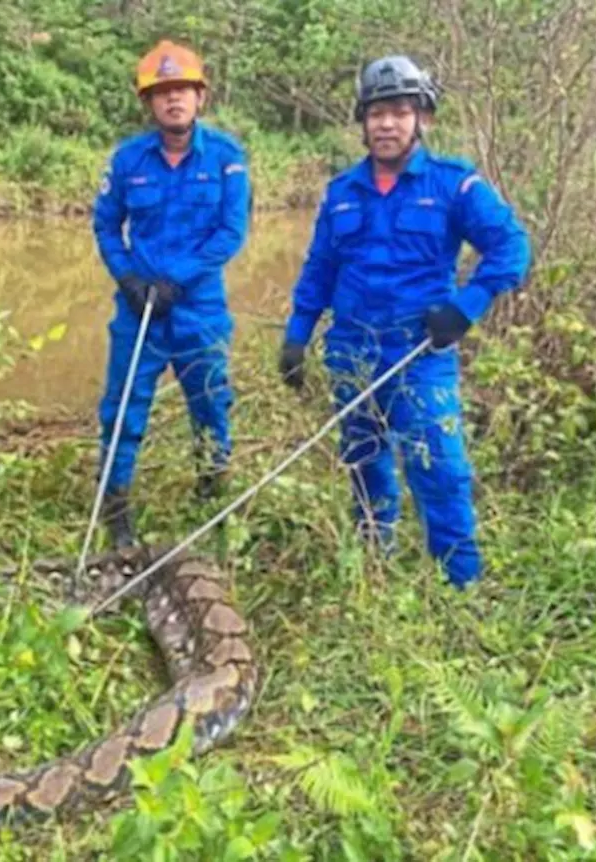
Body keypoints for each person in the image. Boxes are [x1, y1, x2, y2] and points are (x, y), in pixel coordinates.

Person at [278, 54, 531, 589]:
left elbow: (510, 248)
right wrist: (297, 335)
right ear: (362, 121)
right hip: (351, 352)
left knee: (440, 471)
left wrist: (465, 308)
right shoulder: (341, 193)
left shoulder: (454, 185)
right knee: (365, 465)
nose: (386, 124)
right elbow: (319, 268)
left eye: (399, 111)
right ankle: (375, 565)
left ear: (423, 119)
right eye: (376, 113)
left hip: (419, 356)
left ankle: (459, 585)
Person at [91, 39, 252, 548]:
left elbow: (231, 232)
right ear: (148, 103)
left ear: (200, 96)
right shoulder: (127, 159)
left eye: (182, 88)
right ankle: (115, 509)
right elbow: (105, 223)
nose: (173, 99)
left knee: (210, 403)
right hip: (139, 310)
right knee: (123, 409)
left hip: (199, 309)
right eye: (161, 92)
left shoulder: (227, 157)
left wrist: (177, 279)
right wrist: (127, 278)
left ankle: (211, 497)